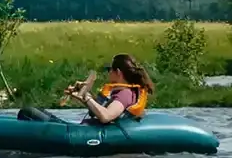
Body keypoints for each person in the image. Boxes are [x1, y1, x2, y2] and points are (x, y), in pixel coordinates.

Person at [22, 53, 153, 124]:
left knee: (28, 112)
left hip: (93, 134)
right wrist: (80, 95)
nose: (108, 73)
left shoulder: (124, 95)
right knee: (35, 112)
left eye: (109, 70)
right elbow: (100, 109)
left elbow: (106, 116)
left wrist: (86, 96)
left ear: (118, 72)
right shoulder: (124, 91)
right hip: (88, 129)